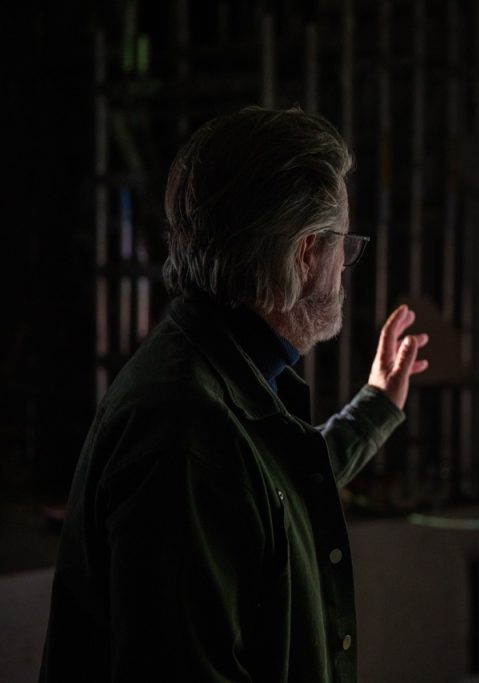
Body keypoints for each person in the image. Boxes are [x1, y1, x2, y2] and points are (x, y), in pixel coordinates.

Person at [40, 106, 428, 682]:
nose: (346, 266)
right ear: (304, 255)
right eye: (343, 245)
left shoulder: (213, 373)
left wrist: (376, 405)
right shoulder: (185, 433)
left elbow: (271, 491)